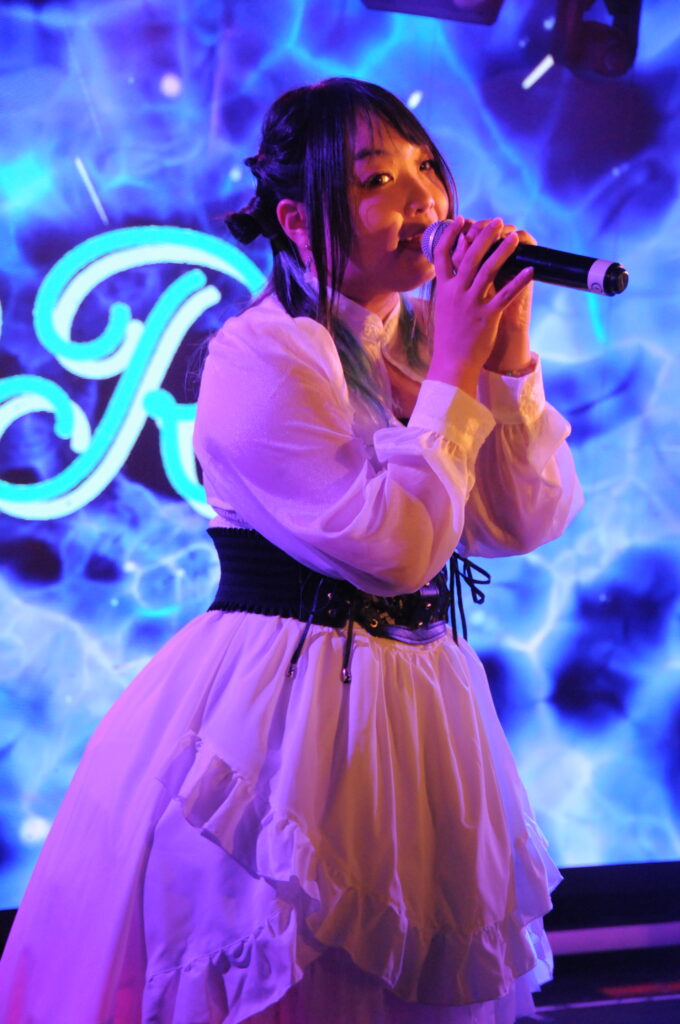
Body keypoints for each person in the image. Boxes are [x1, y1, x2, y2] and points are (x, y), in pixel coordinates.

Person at [0, 78, 582, 1023]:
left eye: (426, 168)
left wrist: (506, 357)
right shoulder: (264, 353)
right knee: (300, 962)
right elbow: (393, 547)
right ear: (299, 223)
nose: (422, 200)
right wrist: (455, 369)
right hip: (289, 704)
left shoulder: (426, 345)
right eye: (376, 180)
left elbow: (522, 521)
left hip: (420, 698)